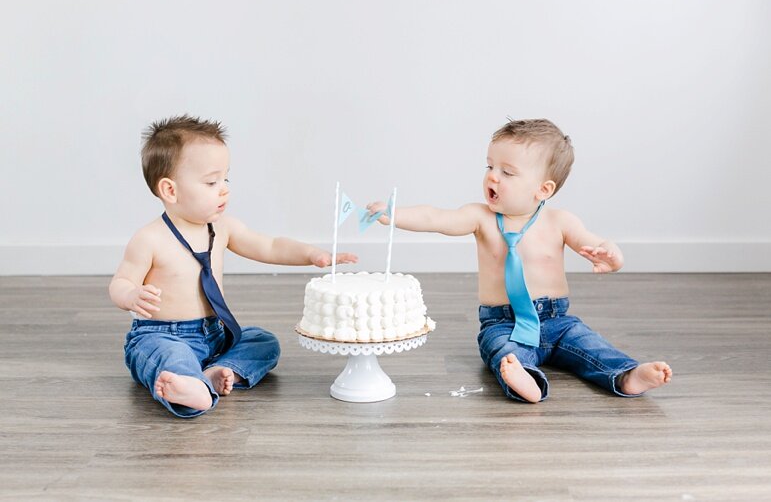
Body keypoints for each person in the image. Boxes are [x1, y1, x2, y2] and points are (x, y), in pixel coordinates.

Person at [367, 118, 671, 403]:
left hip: (557, 321)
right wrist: (394, 214)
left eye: (507, 172)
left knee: (590, 344)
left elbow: (596, 244)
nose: (492, 176)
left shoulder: (560, 221)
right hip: (502, 322)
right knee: (503, 351)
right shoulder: (480, 218)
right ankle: (527, 381)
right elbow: (436, 217)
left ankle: (626, 375)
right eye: (489, 166)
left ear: (543, 189)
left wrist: (612, 256)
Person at [109, 115, 357, 417]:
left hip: (214, 334)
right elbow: (120, 282)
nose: (224, 189)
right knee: (168, 357)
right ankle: (191, 388)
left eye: (226, 179)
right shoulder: (150, 238)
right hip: (162, 335)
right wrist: (131, 296)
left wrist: (312, 255)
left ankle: (219, 372)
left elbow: (269, 246)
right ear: (170, 190)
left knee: (264, 342)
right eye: (212, 182)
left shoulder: (222, 227)